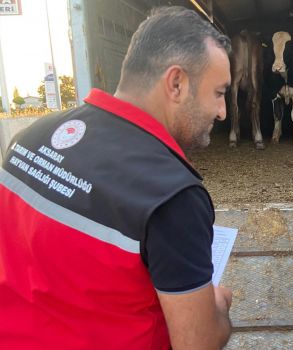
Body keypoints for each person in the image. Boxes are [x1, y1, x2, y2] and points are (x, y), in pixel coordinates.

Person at [0, 6, 233, 349]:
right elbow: (198, 342)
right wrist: (218, 306)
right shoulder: (172, 195)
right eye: (219, 92)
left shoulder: (31, 139)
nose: (223, 111)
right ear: (177, 83)